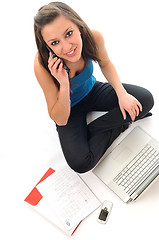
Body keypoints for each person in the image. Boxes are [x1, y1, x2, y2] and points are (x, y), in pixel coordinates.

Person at [34, 2, 154, 173]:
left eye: (69, 33)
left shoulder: (94, 37)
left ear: (78, 26)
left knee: (145, 100)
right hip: (68, 109)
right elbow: (60, 119)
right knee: (81, 163)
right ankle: (122, 123)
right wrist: (63, 83)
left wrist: (122, 94)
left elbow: (105, 63)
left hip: (93, 91)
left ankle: (91, 131)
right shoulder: (41, 65)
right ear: (46, 46)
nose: (67, 47)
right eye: (54, 43)